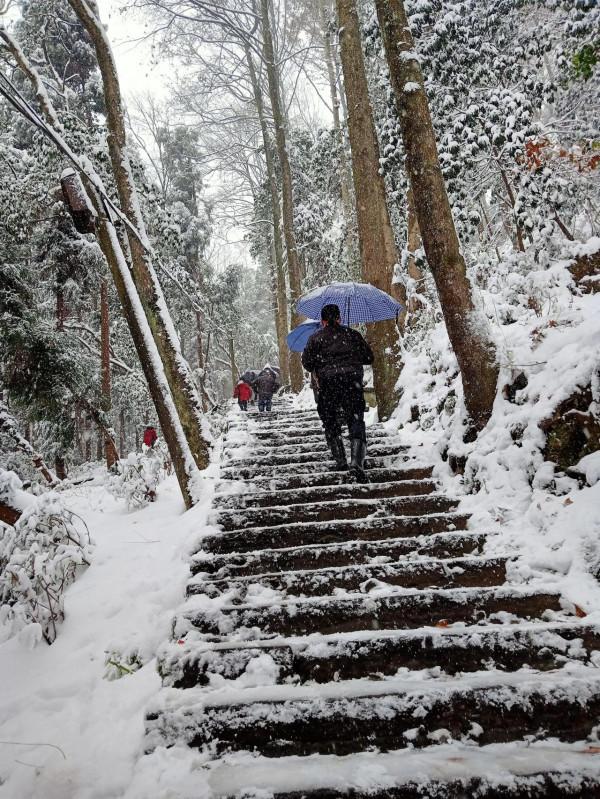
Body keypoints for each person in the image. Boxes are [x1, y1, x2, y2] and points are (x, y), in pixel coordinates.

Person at [302, 304, 374, 481]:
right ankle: (357, 462)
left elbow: (307, 363)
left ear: (322, 321)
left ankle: (340, 459)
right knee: (356, 418)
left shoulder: (315, 338)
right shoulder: (353, 335)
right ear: (340, 318)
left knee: (330, 419)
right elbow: (368, 357)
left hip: (328, 384)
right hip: (352, 383)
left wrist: (323, 363)